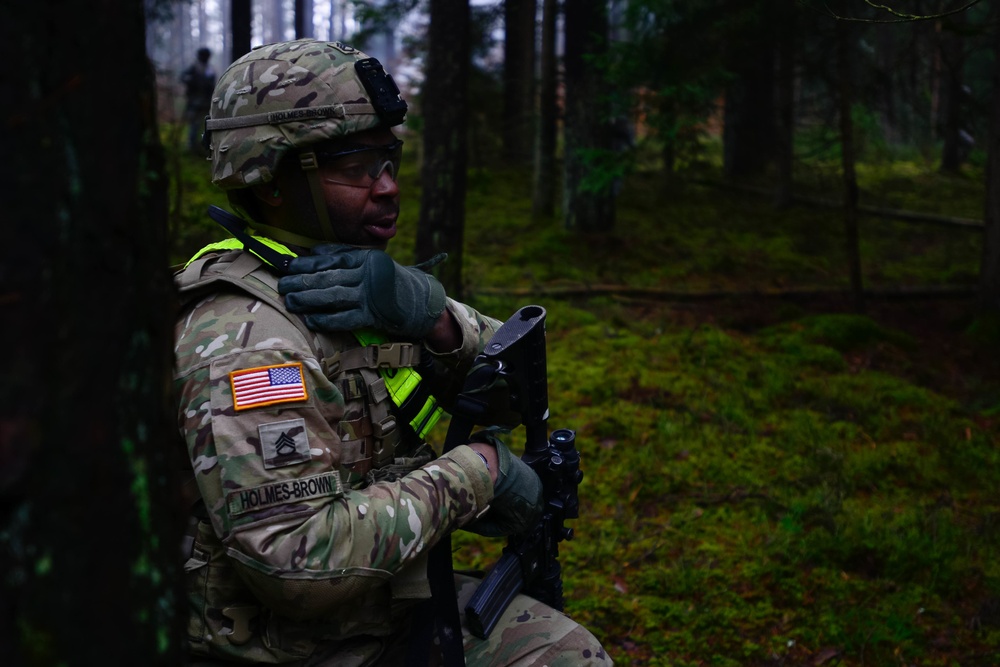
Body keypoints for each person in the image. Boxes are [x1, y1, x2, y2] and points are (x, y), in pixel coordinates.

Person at [173, 38, 611, 666]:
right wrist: (477, 475)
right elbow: (298, 564)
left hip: (384, 611)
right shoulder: (247, 337)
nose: (388, 189)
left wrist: (433, 317)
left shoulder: (351, 285)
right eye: (356, 168)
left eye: (390, 160)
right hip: (290, 649)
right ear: (268, 179)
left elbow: (520, 388)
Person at [180, 47, 216, 153]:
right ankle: (192, 146)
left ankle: (204, 146)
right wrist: (193, 81)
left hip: (205, 102)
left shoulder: (210, 69)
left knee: (205, 124)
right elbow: (183, 77)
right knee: (194, 125)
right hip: (194, 101)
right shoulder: (194, 67)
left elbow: (212, 84)